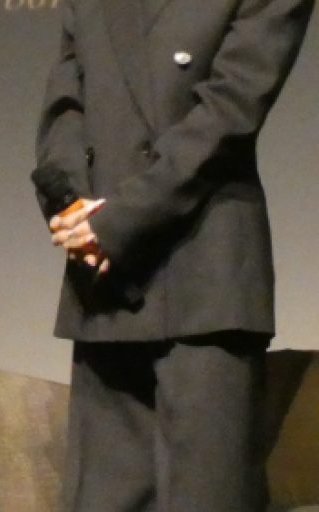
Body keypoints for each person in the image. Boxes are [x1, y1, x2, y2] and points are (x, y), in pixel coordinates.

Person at [33, 0, 314, 510]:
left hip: (205, 281)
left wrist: (118, 222)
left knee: (205, 494)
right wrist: (73, 207)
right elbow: (65, 104)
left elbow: (230, 112)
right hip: (106, 285)